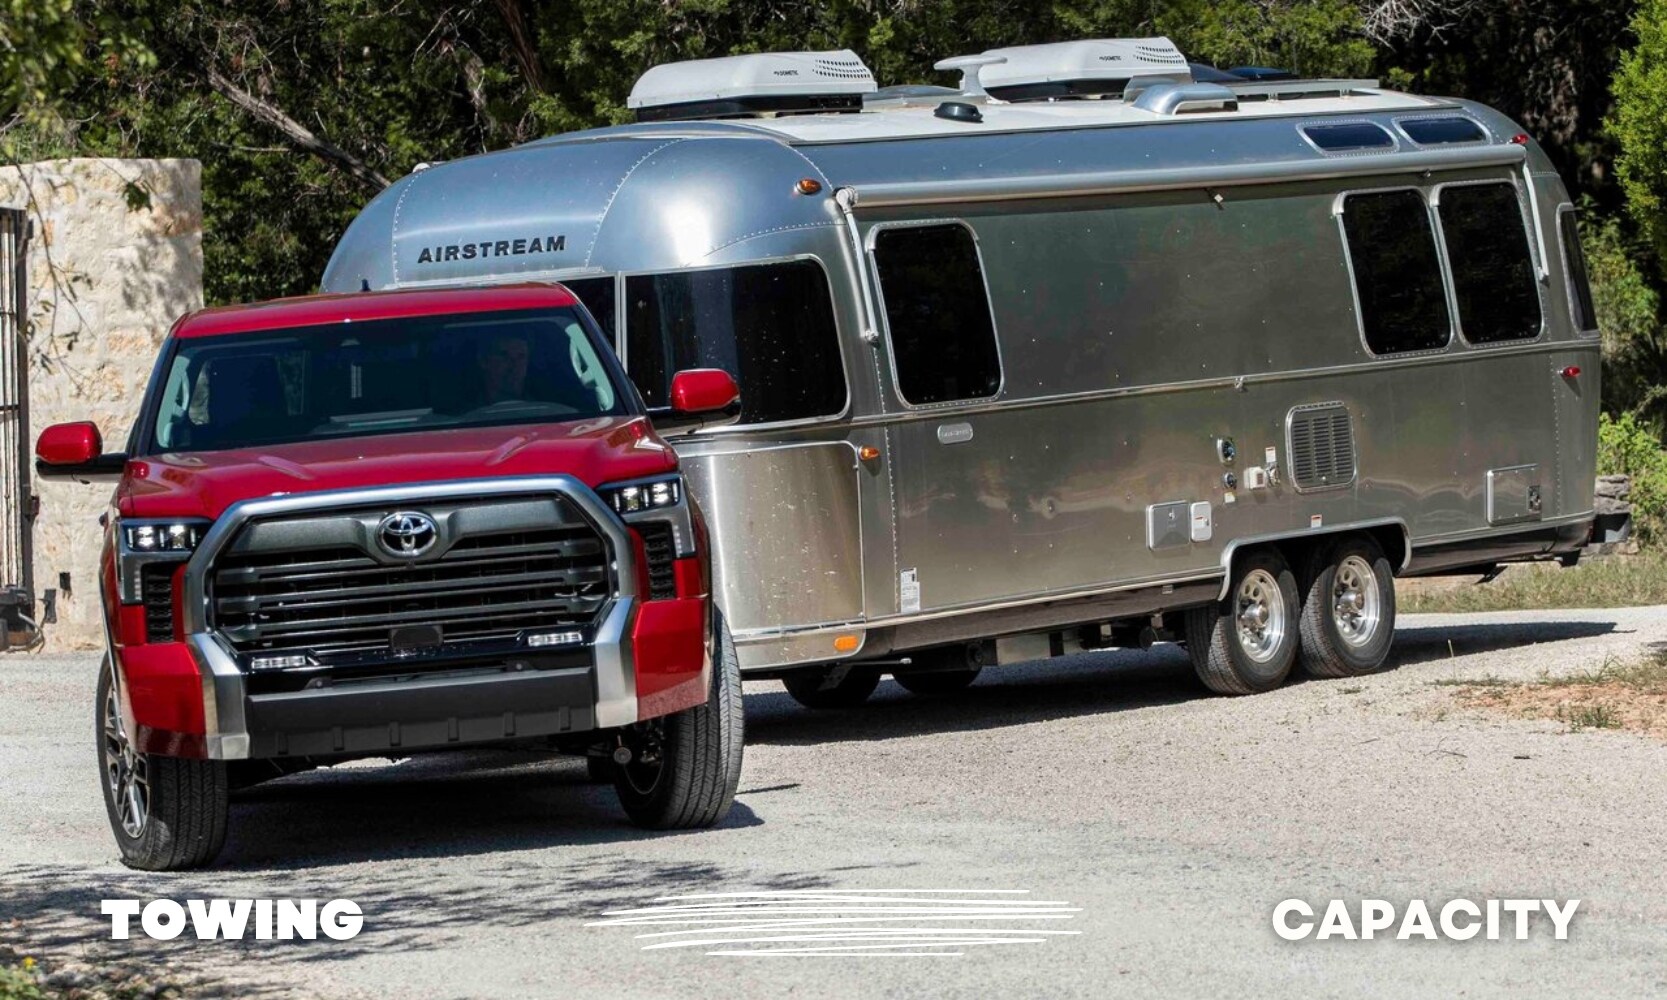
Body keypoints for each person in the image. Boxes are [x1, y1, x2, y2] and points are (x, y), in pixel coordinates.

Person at [475, 334, 530, 404]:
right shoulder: (463, 412)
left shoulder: (542, 408)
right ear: (484, 361)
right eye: (504, 355)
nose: (514, 364)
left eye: (521, 357)